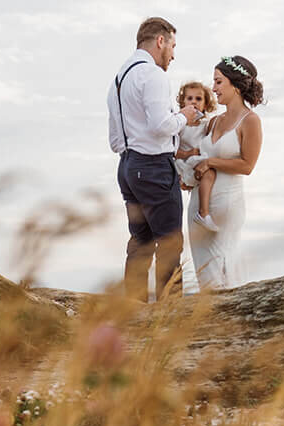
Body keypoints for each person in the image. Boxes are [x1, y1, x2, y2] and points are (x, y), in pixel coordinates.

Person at [107, 17, 202, 302]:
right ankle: (170, 317)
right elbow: (161, 126)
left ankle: (133, 310)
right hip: (153, 168)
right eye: (173, 45)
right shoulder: (153, 75)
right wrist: (184, 116)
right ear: (160, 41)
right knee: (170, 242)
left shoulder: (118, 79)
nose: (173, 54)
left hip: (126, 167)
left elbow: (114, 138)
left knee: (140, 242)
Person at [187, 55, 265, 291]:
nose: (213, 88)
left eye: (219, 82)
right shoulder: (212, 122)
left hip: (227, 205)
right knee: (205, 277)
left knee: (223, 272)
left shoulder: (250, 121)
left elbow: (247, 165)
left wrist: (211, 161)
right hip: (198, 206)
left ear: (236, 85)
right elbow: (194, 152)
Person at [172, 81, 219, 232]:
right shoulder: (179, 124)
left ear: (205, 104)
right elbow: (171, 149)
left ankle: (204, 212)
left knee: (210, 172)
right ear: (182, 103)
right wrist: (187, 153)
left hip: (197, 163)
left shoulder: (206, 124)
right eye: (189, 98)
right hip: (181, 164)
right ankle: (203, 214)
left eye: (198, 99)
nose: (194, 102)